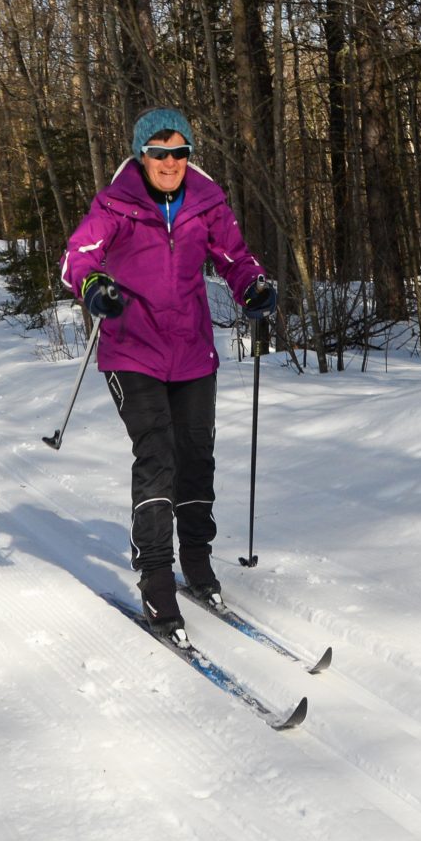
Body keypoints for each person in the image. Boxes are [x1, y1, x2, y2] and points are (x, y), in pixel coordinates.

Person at [60, 106, 277, 629]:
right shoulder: (116, 203)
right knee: (157, 456)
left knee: (196, 457)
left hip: (192, 351)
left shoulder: (206, 201)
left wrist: (253, 286)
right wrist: (94, 287)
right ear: (142, 154)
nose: (170, 162)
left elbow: (235, 258)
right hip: (132, 350)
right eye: (159, 152)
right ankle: (157, 579)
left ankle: (197, 561)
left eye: (180, 152)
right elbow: (77, 259)